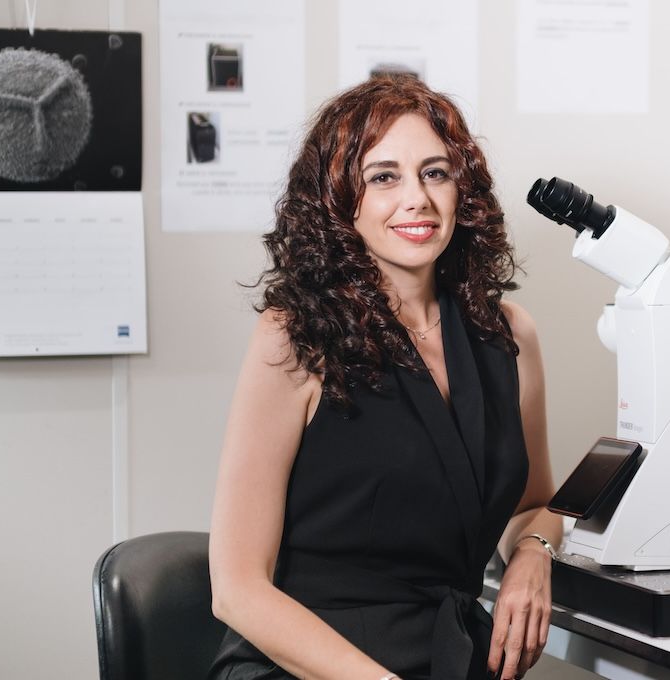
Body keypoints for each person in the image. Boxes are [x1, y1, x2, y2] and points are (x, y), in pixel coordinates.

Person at [206, 76, 562, 680]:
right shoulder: (292, 337)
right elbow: (237, 589)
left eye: (436, 172)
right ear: (340, 199)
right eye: (383, 177)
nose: (416, 199)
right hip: (308, 665)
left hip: (449, 655)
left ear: (462, 192)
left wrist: (534, 551)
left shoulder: (509, 335)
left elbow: (534, 505)